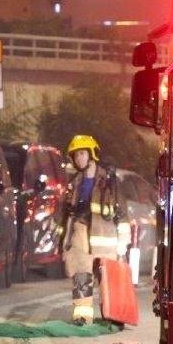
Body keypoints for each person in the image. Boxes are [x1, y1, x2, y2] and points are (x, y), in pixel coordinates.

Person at [61, 135, 120, 326]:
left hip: (103, 235)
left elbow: (121, 210)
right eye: (75, 155)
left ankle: (113, 315)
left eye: (82, 153)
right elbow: (67, 213)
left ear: (91, 154)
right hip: (80, 232)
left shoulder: (108, 179)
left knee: (107, 277)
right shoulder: (75, 182)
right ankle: (82, 316)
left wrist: (124, 241)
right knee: (81, 274)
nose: (79, 158)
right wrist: (64, 241)